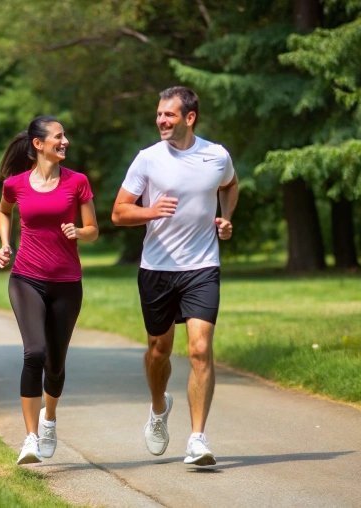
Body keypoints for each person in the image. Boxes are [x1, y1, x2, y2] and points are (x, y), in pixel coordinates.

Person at [111, 86, 239, 466]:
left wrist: (226, 217)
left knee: (200, 350)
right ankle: (157, 407)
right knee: (158, 351)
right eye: (159, 114)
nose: (161, 121)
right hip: (157, 269)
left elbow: (230, 185)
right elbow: (119, 212)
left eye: (169, 114)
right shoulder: (147, 160)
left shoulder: (216, 156)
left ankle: (198, 438)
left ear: (189, 117)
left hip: (201, 267)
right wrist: (150, 212)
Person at [0, 115, 99, 465]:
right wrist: (5, 244)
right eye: (58, 136)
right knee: (34, 352)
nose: (65, 141)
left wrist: (79, 233)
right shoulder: (16, 184)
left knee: (55, 365)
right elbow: (3, 211)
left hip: (67, 283)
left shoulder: (78, 182)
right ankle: (29, 439)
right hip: (26, 277)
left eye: (65, 135)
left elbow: (93, 229)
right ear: (38, 144)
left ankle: (49, 419)